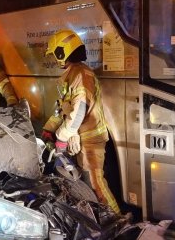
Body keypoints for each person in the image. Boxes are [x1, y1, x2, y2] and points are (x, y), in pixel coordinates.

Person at [41, 30, 121, 214]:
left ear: (62, 52)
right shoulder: (73, 75)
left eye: (55, 54)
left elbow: (78, 113)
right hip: (82, 140)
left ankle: (119, 221)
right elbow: (63, 110)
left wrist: (61, 137)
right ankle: (99, 220)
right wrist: (48, 128)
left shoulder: (81, 75)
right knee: (85, 185)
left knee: (96, 184)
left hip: (91, 141)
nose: (54, 59)